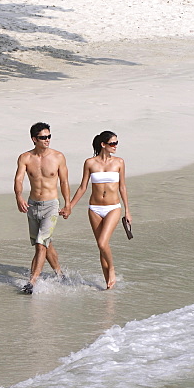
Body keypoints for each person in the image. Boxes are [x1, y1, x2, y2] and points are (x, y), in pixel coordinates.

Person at [68, 130, 131, 289]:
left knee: (103, 243)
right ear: (103, 144)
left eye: (117, 143)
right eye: (112, 143)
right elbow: (83, 187)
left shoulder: (119, 162)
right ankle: (108, 287)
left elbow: (122, 187)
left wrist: (127, 211)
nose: (115, 146)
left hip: (113, 208)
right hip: (94, 208)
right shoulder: (90, 163)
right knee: (101, 247)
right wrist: (70, 206)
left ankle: (112, 269)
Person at [14, 122, 71, 293]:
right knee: (45, 243)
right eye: (43, 137)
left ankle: (32, 282)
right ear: (34, 139)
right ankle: (60, 275)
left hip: (51, 206)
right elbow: (18, 179)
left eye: (49, 136)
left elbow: (64, 181)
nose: (47, 140)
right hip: (32, 205)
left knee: (41, 244)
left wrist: (68, 204)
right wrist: (18, 197)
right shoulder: (25, 158)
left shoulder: (58, 157)